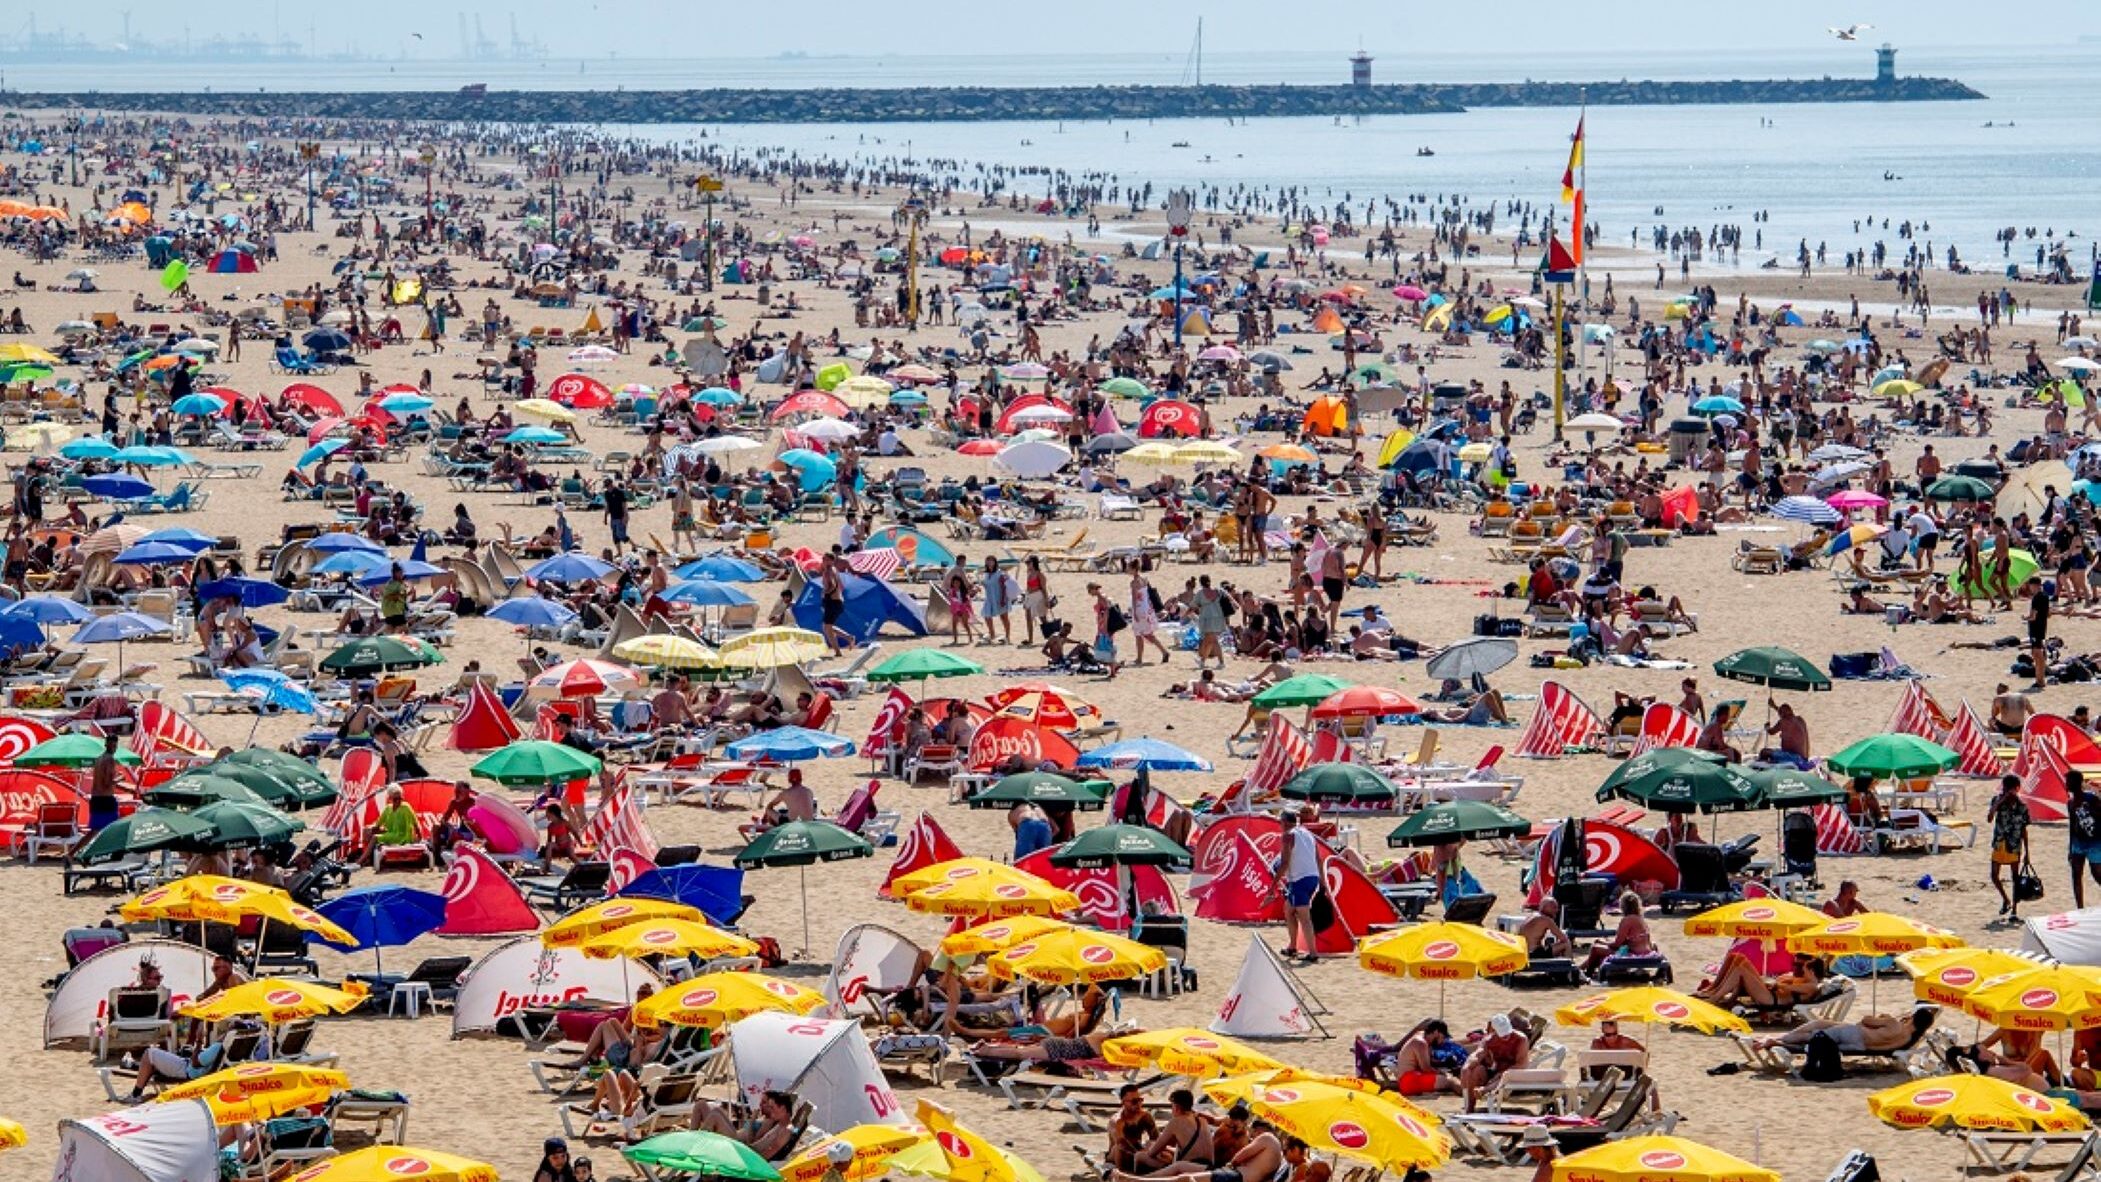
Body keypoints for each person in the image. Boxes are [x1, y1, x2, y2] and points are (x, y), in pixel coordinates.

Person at [1749, 1007, 1937, 1055]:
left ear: (1913, 1017)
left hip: (1856, 1033)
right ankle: (1778, 1038)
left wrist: (1882, 1016)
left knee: (1812, 1035)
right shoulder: (1908, 1039)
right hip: (1861, 1046)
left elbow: (1865, 1020)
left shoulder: (1894, 1023)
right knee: (1819, 1025)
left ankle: (1773, 1041)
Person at [1271, 810, 1322, 963]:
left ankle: (1313, 953)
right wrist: (1322, 882)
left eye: (1280, 822)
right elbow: (1318, 859)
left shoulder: (1288, 836)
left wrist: (1273, 884)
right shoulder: (1308, 834)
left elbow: (1285, 863)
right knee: (1288, 910)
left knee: (1304, 917)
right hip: (1312, 877)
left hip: (1299, 879)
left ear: (1285, 822)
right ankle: (1293, 946)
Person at [1460, 1012, 1531, 1111]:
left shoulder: (1520, 1039)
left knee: (1506, 1074)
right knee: (1476, 1070)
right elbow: (1477, 1054)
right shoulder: (1489, 1041)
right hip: (1497, 1072)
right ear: (1494, 1030)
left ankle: (1484, 1090)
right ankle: (1470, 1106)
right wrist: (1467, 1067)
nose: (1506, 1036)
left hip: (1515, 1072)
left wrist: (1502, 1073)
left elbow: (1521, 1064)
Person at [1132, 1089, 1213, 1174]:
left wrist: (1155, 1150)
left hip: (1188, 1169)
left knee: (1139, 1156)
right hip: (1207, 1167)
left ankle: (1138, 1179)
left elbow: (1152, 1153)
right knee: (1157, 1149)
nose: (1172, 1110)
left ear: (1177, 1107)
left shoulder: (1176, 1122)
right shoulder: (1202, 1120)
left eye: (1172, 1106)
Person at [1989, 773, 2033, 917]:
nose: (2008, 791)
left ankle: (2014, 909)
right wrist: (2001, 801)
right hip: (1999, 843)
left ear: (2017, 789)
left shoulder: (2022, 806)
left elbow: (2024, 830)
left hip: (2014, 845)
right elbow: (1989, 818)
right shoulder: (1997, 800)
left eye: (2011, 789)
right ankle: (2005, 899)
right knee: (1994, 875)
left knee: (2016, 878)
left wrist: (2027, 852)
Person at [1580, 892, 1656, 977]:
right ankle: (1581, 968)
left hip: (1634, 955)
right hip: (1645, 952)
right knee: (1599, 944)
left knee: (1595, 948)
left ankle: (1588, 973)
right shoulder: (1640, 919)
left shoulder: (1627, 920)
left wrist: (1604, 943)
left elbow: (1617, 944)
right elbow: (1628, 941)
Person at [1107, 1083, 1159, 1174]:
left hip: (1136, 1151)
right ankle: (1121, 1174)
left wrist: (1147, 1150)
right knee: (1118, 1148)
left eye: (1140, 1100)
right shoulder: (1117, 1121)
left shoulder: (1145, 1116)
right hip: (1117, 1155)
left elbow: (1156, 1138)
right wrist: (1140, 1154)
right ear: (1123, 1102)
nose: (1139, 1104)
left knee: (1151, 1143)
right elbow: (1121, 1143)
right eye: (1134, 1101)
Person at [2071, 770, 2101, 908]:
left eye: (2068, 782)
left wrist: (2089, 809)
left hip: (2094, 843)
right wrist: (2070, 847)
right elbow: (2072, 825)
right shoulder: (2070, 802)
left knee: (2097, 874)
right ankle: (2080, 908)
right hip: (2078, 844)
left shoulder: (2091, 798)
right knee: (2076, 875)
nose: (2066, 785)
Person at [88, 733, 123, 832]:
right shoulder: (110, 759)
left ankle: (78, 848)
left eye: (114, 746)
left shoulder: (99, 759)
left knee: (94, 832)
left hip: (95, 798)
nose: (114, 748)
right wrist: (120, 778)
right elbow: (108, 783)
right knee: (113, 830)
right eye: (113, 746)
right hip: (105, 799)